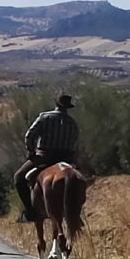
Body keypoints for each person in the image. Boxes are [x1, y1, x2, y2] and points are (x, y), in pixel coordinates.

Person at [13, 94, 80, 223]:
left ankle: (30, 211)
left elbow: (29, 136)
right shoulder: (72, 123)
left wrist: (31, 151)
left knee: (18, 178)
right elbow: (75, 142)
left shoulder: (45, 117)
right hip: (66, 159)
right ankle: (76, 212)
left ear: (56, 104)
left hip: (44, 157)